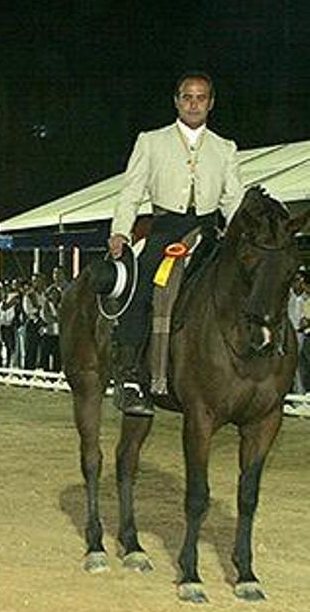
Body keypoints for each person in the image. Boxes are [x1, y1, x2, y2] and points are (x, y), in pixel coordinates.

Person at [106, 71, 242, 416]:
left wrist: (242, 233)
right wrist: (121, 230)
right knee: (138, 287)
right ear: (177, 100)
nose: (194, 104)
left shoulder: (225, 148)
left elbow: (233, 199)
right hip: (165, 230)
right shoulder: (151, 141)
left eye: (200, 98)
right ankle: (130, 378)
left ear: (210, 103)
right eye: (187, 97)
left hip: (209, 232)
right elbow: (132, 190)